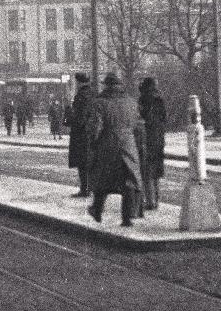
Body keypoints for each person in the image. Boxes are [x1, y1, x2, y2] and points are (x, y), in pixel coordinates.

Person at [86, 72, 143, 227]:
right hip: (128, 144)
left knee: (102, 179)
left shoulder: (99, 103)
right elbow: (138, 126)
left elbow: (95, 127)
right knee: (129, 181)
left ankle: (97, 210)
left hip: (107, 144)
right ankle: (127, 217)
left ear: (106, 86)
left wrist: (92, 143)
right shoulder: (131, 102)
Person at [138, 77, 167, 211]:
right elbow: (164, 118)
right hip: (159, 138)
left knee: (146, 171)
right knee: (155, 172)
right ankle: (156, 200)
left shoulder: (144, 99)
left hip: (147, 138)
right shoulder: (160, 99)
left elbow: (141, 118)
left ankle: (149, 201)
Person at [65, 73, 94, 198]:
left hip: (81, 134)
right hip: (92, 133)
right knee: (89, 162)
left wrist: (68, 110)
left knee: (82, 163)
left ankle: (85, 189)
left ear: (79, 83)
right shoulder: (93, 95)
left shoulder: (80, 97)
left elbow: (78, 118)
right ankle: (90, 188)